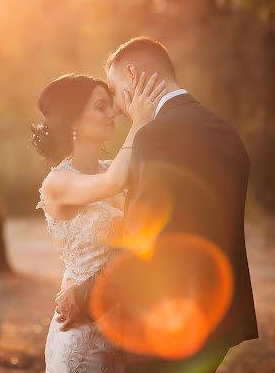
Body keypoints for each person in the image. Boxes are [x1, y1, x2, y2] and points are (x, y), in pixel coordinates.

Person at [55, 37, 259, 373]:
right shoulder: (225, 133)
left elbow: (145, 247)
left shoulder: (154, 136)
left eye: (116, 90)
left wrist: (82, 297)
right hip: (220, 326)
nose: (119, 108)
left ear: (133, 76)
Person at [33, 72, 166, 372]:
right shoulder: (58, 181)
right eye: (100, 106)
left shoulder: (109, 170)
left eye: (110, 105)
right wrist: (139, 122)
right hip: (81, 335)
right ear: (74, 121)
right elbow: (113, 182)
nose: (111, 114)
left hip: (122, 327)